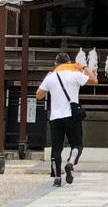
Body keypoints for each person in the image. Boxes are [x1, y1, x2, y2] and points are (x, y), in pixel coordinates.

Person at [36, 52, 98, 186]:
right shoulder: (75, 74)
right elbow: (94, 80)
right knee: (77, 144)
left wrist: (47, 81)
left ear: (55, 64)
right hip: (72, 116)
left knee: (56, 149)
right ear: (69, 62)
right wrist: (84, 67)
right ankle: (70, 162)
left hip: (55, 118)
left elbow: (38, 95)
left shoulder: (51, 77)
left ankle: (57, 178)